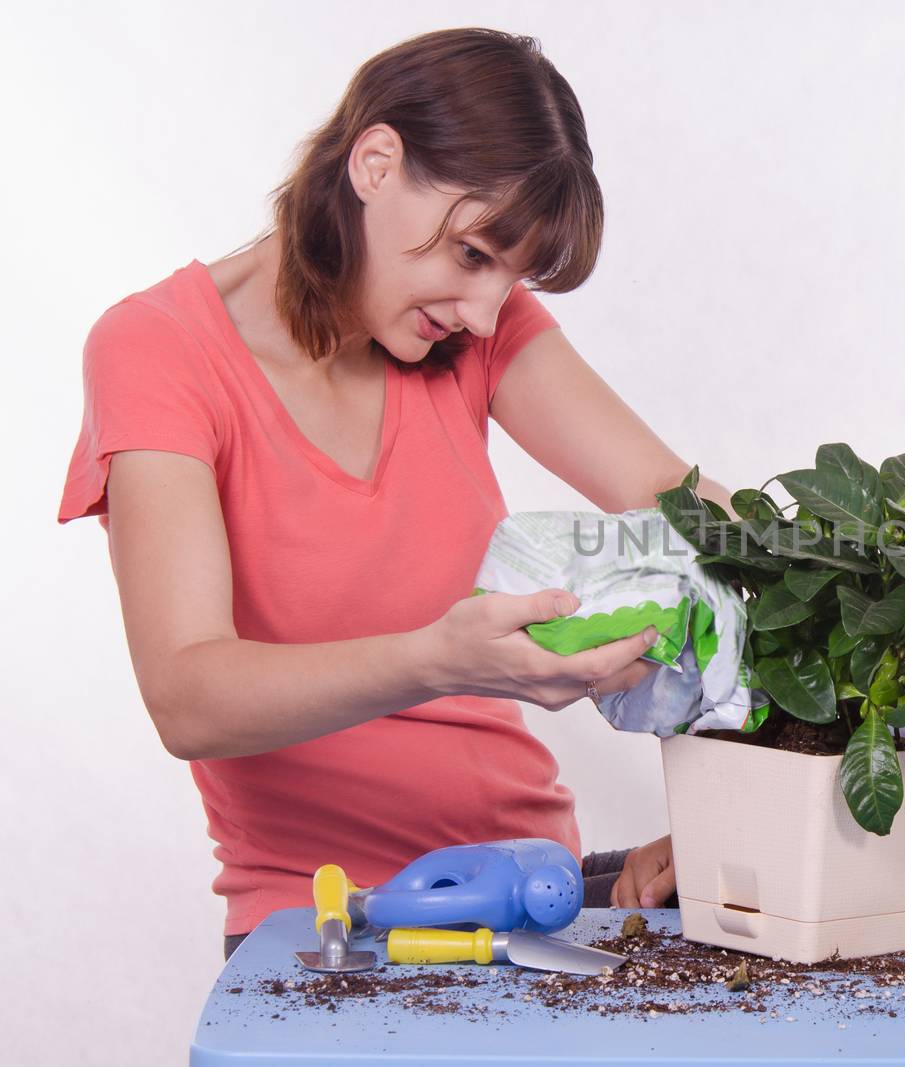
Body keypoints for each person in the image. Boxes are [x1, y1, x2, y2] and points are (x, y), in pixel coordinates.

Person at [56, 28, 733, 958]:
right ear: (375, 162)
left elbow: (670, 494)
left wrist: (878, 564)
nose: (488, 312)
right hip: (328, 919)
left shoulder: (469, 329)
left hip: (533, 895)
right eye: (470, 256)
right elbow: (187, 694)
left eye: (512, 277)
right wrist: (439, 659)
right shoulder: (158, 352)